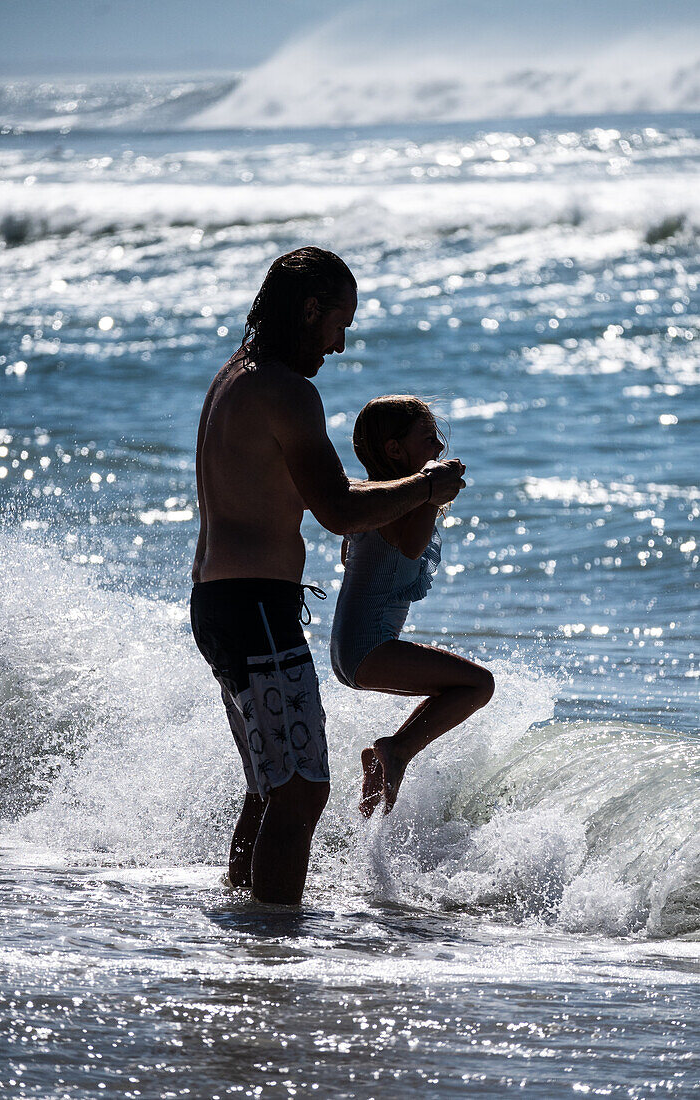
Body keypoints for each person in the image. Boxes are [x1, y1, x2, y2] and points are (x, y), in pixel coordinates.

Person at [190, 247, 466, 905]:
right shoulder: (286, 390)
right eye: (339, 322)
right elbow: (340, 511)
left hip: (221, 600)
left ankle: (244, 932)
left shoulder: (235, 375)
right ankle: (275, 957)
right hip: (254, 604)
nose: (340, 345)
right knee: (302, 788)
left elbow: (327, 487)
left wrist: (405, 488)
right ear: (310, 309)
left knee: (270, 785)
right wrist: (425, 486)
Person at [330, 395, 494, 817]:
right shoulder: (400, 510)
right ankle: (397, 749)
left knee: (459, 687)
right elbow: (411, 546)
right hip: (367, 650)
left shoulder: (371, 499)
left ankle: (363, 828)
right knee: (478, 685)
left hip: (351, 650)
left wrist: (428, 491)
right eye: (428, 438)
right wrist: (430, 493)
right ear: (394, 450)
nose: (439, 448)